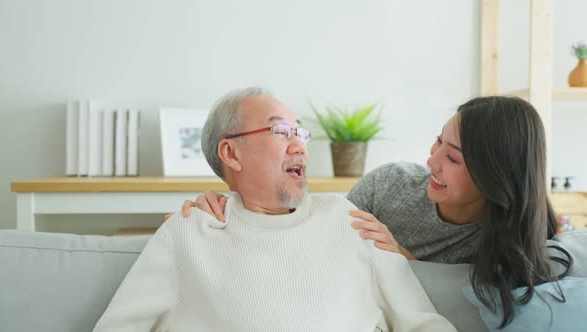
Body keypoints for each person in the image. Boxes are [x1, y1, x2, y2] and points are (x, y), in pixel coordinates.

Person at [170, 95, 573, 328]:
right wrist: (235, 211)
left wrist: (406, 264)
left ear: (494, 176)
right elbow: (308, 238)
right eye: (436, 143)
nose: (431, 161)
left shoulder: (521, 248)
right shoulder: (389, 186)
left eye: (451, 157)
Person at [94, 87, 456, 331]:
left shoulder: (348, 221)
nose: (299, 146)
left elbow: (424, 324)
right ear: (231, 153)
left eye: (301, 134)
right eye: (281, 132)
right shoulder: (191, 230)